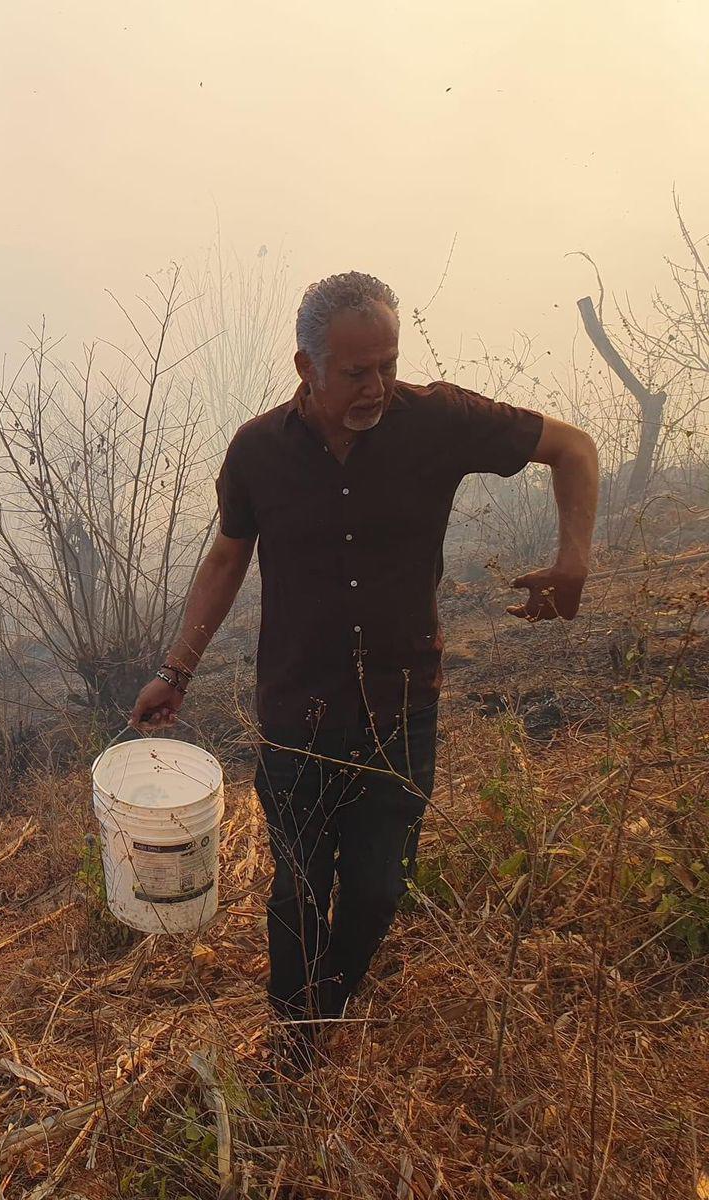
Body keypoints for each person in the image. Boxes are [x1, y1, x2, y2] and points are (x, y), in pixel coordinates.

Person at [128, 272, 599, 1071]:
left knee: (380, 887)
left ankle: (323, 1013)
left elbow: (574, 449)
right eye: (356, 371)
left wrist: (574, 563)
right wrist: (176, 670)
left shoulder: (439, 419)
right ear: (306, 366)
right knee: (299, 891)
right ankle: (294, 1043)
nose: (377, 385)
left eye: (387, 363)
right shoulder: (256, 452)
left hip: (400, 702)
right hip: (295, 711)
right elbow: (226, 557)